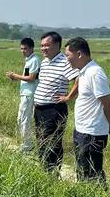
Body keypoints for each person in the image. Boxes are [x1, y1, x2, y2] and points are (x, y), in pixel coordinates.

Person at [64, 37, 110, 181]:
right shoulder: (84, 72)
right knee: (83, 168)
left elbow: (108, 103)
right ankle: (85, 196)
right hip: (82, 130)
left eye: (68, 55)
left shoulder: (95, 73)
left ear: (79, 54)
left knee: (92, 172)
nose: (67, 59)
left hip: (92, 132)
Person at [33, 31, 79, 173]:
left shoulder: (65, 62)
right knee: (41, 140)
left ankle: (52, 173)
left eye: (47, 45)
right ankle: (44, 169)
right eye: (42, 46)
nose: (43, 48)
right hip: (40, 109)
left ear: (57, 45)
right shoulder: (45, 62)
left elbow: (78, 79)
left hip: (54, 110)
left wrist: (68, 97)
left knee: (52, 142)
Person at [6, 37, 41, 152]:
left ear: (31, 48)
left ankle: (27, 146)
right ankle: (26, 143)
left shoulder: (34, 60)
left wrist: (16, 76)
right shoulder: (29, 60)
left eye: (25, 48)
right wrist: (15, 78)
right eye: (21, 49)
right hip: (25, 93)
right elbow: (28, 77)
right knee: (21, 118)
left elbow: (31, 78)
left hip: (29, 94)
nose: (23, 51)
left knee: (24, 119)